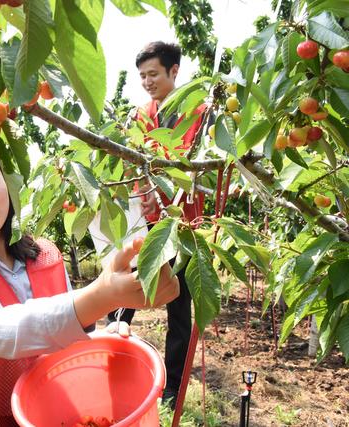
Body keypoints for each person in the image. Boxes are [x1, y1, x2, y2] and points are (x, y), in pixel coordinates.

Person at [0, 139, 180, 427]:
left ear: (6, 178)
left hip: (48, 414)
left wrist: (105, 342)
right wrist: (102, 296)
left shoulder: (45, 255)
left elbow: (70, 331)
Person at [111, 41, 209, 410]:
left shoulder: (199, 113)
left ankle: (173, 388)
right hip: (146, 223)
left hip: (186, 227)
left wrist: (166, 195)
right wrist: (145, 192)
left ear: (174, 71)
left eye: (153, 74)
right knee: (123, 293)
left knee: (179, 307)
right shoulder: (141, 115)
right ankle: (113, 359)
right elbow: (138, 163)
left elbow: (198, 166)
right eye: (142, 76)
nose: (147, 82)